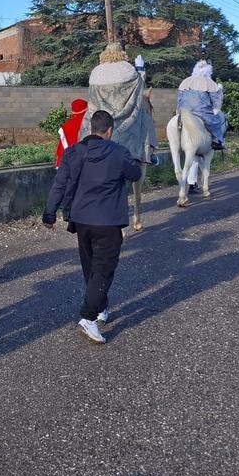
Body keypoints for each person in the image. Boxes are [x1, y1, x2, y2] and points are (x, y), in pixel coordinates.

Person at [43, 109, 143, 344]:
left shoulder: (73, 152)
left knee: (90, 267)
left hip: (81, 220)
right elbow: (135, 174)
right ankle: (88, 318)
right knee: (103, 269)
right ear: (109, 131)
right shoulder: (118, 152)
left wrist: (50, 212)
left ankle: (100, 308)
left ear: (91, 129)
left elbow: (59, 184)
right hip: (108, 220)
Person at [176, 60, 227, 149]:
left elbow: (179, 98)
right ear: (208, 72)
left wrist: (178, 110)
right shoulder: (209, 82)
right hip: (201, 110)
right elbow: (216, 99)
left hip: (183, 109)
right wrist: (216, 108)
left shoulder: (185, 81)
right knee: (217, 122)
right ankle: (217, 140)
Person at [55, 98, 89, 168]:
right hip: (88, 161)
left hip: (71, 162)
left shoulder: (67, 125)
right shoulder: (90, 123)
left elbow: (62, 147)